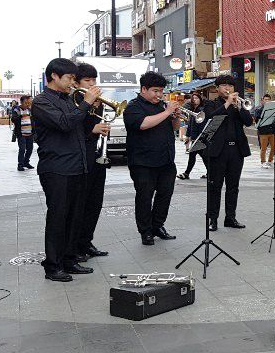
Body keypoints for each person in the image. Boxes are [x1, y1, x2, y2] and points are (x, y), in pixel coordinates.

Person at [32, 58, 99, 282]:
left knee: (74, 217)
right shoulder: (41, 102)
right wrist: (86, 104)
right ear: (54, 76)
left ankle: (70, 259)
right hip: (56, 168)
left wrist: (91, 109)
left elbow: (79, 127)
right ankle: (53, 266)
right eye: (69, 78)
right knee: (58, 218)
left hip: (77, 166)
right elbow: (64, 123)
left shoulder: (70, 100)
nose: (73, 82)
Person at [123, 72, 180, 246]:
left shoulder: (162, 106)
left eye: (161, 91)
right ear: (144, 89)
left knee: (165, 195)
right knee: (144, 197)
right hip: (143, 162)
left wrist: (175, 116)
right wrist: (167, 112)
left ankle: (158, 226)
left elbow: (175, 128)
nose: (159, 95)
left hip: (166, 159)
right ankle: (145, 231)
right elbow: (143, 124)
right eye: (155, 91)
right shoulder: (133, 107)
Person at [203, 75, 253, 230]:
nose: (228, 88)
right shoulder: (211, 104)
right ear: (217, 88)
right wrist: (227, 103)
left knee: (233, 186)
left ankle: (230, 218)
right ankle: (213, 219)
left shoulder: (239, 104)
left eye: (230, 86)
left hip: (236, 150)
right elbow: (211, 118)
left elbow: (248, 122)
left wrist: (239, 107)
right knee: (215, 186)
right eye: (224, 85)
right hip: (218, 151)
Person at [75, 63, 111, 258]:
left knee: (95, 203)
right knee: (81, 203)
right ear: (77, 83)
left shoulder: (99, 102)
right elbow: (71, 128)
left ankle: (86, 241)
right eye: (87, 80)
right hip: (80, 160)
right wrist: (92, 130)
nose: (91, 84)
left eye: (94, 80)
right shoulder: (74, 101)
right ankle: (75, 246)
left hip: (96, 157)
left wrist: (103, 128)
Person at [177, 93, 208, 180]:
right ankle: (210, 172)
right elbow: (191, 124)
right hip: (195, 136)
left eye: (196, 98)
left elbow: (202, 125)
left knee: (194, 155)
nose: (194, 99)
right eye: (193, 98)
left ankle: (187, 173)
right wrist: (188, 135)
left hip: (199, 136)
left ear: (200, 100)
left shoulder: (201, 110)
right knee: (202, 156)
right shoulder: (193, 110)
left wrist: (200, 136)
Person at [12, 95, 34, 171]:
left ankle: (26, 162)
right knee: (22, 149)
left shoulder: (30, 110)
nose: (27, 104)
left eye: (28, 103)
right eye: (25, 103)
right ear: (21, 102)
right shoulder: (17, 110)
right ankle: (20, 164)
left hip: (30, 133)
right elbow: (13, 119)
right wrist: (20, 116)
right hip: (21, 133)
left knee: (30, 149)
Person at [255, 94, 275, 169]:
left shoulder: (273, 109)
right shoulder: (259, 109)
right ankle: (263, 162)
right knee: (263, 148)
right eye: (265, 100)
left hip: (272, 131)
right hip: (263, 131)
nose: (267, 101)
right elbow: (256, 120)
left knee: (274, 147)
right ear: (263, 101)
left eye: (268, 100)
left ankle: (270, 161)